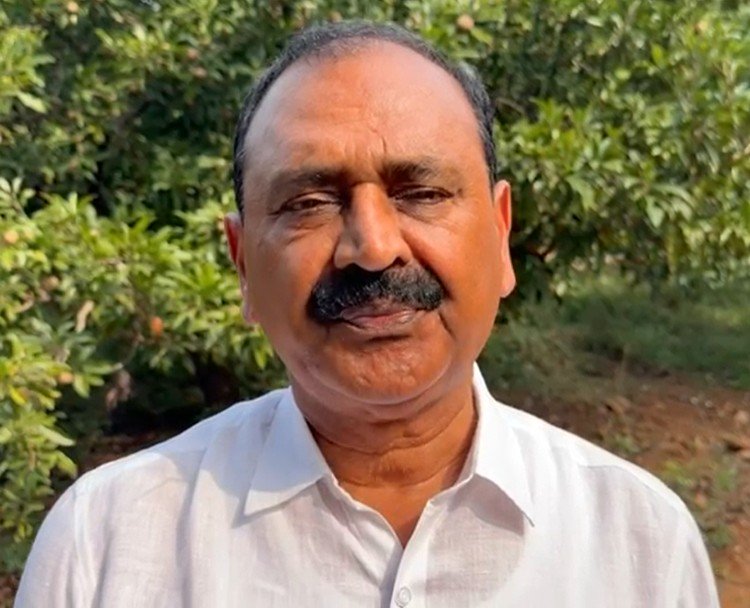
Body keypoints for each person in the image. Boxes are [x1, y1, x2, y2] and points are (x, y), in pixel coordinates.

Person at [16, 21, 719, 607]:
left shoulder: (639, 543)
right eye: (308, 203)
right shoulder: (106, 545)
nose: (374, 248)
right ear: (243, 264)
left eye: (422, 193)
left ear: (501, 233)